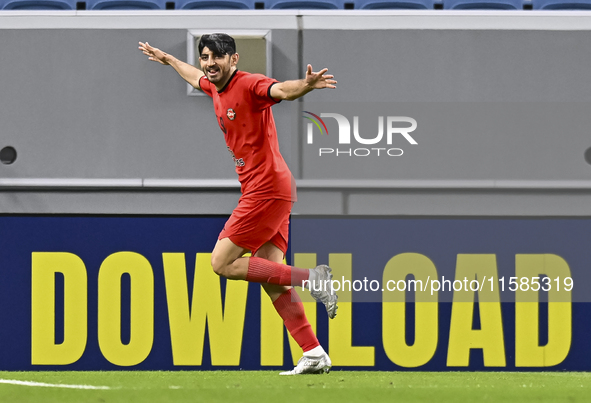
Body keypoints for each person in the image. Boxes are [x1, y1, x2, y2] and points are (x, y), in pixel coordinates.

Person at [139, 33, 338, 375]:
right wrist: (169, 60)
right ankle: (314, 352)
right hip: (270, 187)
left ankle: (313, 278)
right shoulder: (214, 86)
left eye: (217, 56)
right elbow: (194, 76)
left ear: (234, 59)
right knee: (273, 278)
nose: (209, 62)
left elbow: (281, 90)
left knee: (221, 263)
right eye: (205, 56)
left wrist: (305, 86)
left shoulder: (249, 85)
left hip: (266, 189)